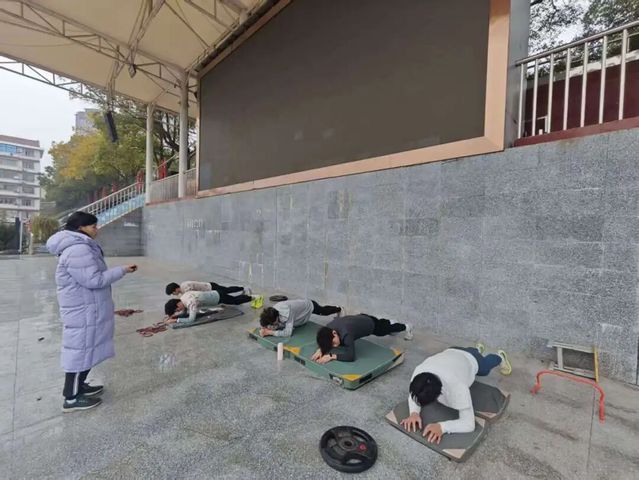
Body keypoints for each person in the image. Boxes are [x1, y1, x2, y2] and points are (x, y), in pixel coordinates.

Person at [46, 211, 137, 412]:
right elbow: (94, 280)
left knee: (86, 349)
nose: (97, 229)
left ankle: (80, 387)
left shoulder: (78, 246)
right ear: (81, 228)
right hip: (84, 310)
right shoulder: (78, 249)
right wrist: (122, 270)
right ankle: (71, 398)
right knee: (80, 351)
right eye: (94, 226)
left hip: (87, 307)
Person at [399, 345, 512, 444]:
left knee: (485, 369)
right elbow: (413, 395)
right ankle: (477, 349)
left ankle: (500, 356)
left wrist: (442, 427)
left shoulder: (458, 388)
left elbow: (469, 424)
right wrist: (414, 413)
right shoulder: (419, 371)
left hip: (471, 359)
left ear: (440, 393)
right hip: (452, 350)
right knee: (472, 352)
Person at [312, 314, 413, 364]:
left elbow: (351, 356)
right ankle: (389, 322)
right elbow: (325, 338)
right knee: (383, 324)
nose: (334, 346)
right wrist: (321, 349)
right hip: (359, 318)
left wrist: (331, 356)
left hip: (370, 324)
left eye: (333, 343)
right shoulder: (328, 328)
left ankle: (407, 327)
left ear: (334, 333)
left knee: (383, 331)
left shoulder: (347, 334)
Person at [259, 299, 342, 337]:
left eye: (273, 323)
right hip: (298, 311)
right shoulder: (272, 311)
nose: (272, 325)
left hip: (309, 305)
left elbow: (287, 333)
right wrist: (265, 328)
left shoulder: (287, 313)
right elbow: (271, 322)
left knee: (323, 311)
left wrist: (269, 332)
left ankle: (338, 308)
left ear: (276, 318)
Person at [164, 288, 252, 324]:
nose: (179, 311)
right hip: (215, 293)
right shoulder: (183, 298)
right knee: (233, 298)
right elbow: (184, 312)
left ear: (178, 304)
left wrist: (175, 320)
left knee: (235, 301)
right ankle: (246, 295)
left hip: (218, 297)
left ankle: (252, 297)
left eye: (177, 310)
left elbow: (191, 320)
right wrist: (172, 316)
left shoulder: (190, 302)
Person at [165, 280, 250, 297]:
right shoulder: (183, 290)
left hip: (211, 287)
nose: (173, 294)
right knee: (226, 292)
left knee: (227, 290)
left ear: (176, 289)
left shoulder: (185, 287)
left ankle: (244, 288)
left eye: (172, 293)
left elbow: (194, 295)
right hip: (209, 289)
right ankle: (242, 291)